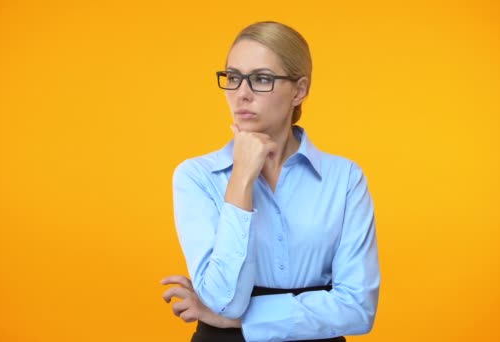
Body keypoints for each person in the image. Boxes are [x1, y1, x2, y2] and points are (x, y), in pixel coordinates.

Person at [161, 21, 380, 342]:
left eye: (261, 79)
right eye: (233, 78)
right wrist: (241, 178)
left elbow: (358, 308)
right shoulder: (196, 176)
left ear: (300, 90)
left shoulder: (344, 178)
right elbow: (225, 301)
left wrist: (239, 322)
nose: (242, 94)